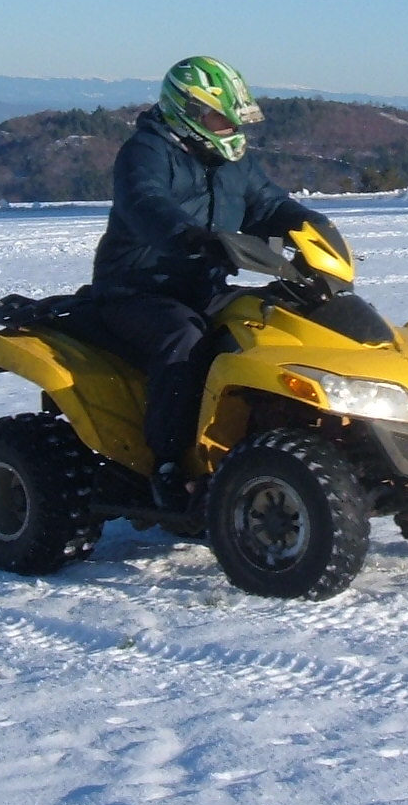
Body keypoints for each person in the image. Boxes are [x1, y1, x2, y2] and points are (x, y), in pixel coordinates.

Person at [89, 57, 323, 506]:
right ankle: (170, 465)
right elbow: (145, 202)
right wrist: (192, 237)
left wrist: (309, 226)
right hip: (137, 289)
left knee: (270, 325)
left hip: (205, 286)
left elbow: (269, 204)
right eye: (219, 117)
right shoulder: (147, 151)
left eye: (232, 118)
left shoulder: (234, 160)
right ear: (188, 110)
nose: (229, 127)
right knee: (183, 340)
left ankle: (270, 440)